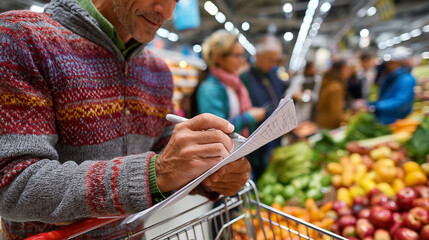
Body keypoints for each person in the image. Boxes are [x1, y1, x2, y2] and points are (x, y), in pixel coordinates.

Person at [0, 0, 251, 239]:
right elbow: (12, 184)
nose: (166, 11)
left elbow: (163, 147)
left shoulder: (157, 71)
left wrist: (209, 173)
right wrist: (156, 172)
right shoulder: (21, 38)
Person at [195, 30, 266, 137]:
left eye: (242, 55)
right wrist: (249, 117)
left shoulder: (235, 84)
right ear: (219, 58)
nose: (242, 61)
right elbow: (216, 130)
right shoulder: (209, 89)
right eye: (237, 56)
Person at [240, 35, 287, 181]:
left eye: (276, 60)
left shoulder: (273, 76)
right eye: (270, 59)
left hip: (275, 139)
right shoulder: (245, 78)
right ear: (257, 56)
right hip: (257, 144)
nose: (273, 64)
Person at [357, 47, 416, 124]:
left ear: (400, 62)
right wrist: (369, 103)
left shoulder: (407, 79)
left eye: (392, 62)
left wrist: (375, 107)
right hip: (385, 119)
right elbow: (385, 97)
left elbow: (400, 101)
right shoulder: (391, 77)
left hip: (397, 122)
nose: (388, 65)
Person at [316, 60, 352, 129]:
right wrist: (353, 120)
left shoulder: (329, 82)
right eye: (347, 69)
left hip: (322, 123)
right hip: (329, 127)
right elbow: (337, 116)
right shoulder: (336, 87)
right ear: (340, 70)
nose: (349, 72)